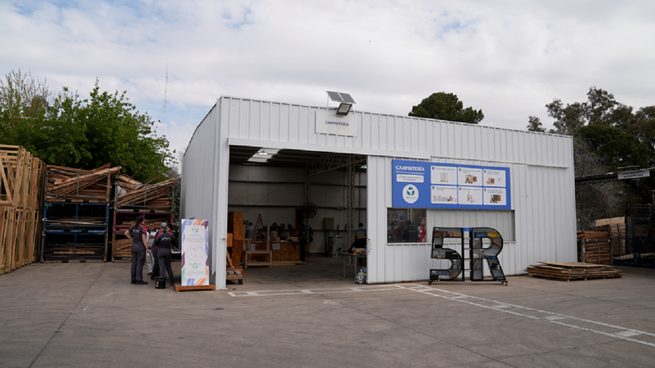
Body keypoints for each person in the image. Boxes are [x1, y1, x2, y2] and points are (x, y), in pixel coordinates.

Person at [125, 215, 150, 285]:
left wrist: (132, 239)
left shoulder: (134, 226)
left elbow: (126, 233)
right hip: (140, 247)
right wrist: (147, 248)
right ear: (142, 221)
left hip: (134, 246)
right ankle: (139, 279)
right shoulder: (143, 227)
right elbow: (143, 238)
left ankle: (133, 279)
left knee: (134, 262)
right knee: (140, 263)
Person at [155, 222, 175, 287]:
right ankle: (172, 281)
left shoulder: (160, 235)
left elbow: (156, 243)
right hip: (168, 251)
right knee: (168, 266)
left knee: (162, 267)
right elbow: (173, 242)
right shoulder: (171, 235)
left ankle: (162, 282)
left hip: (160, 251)